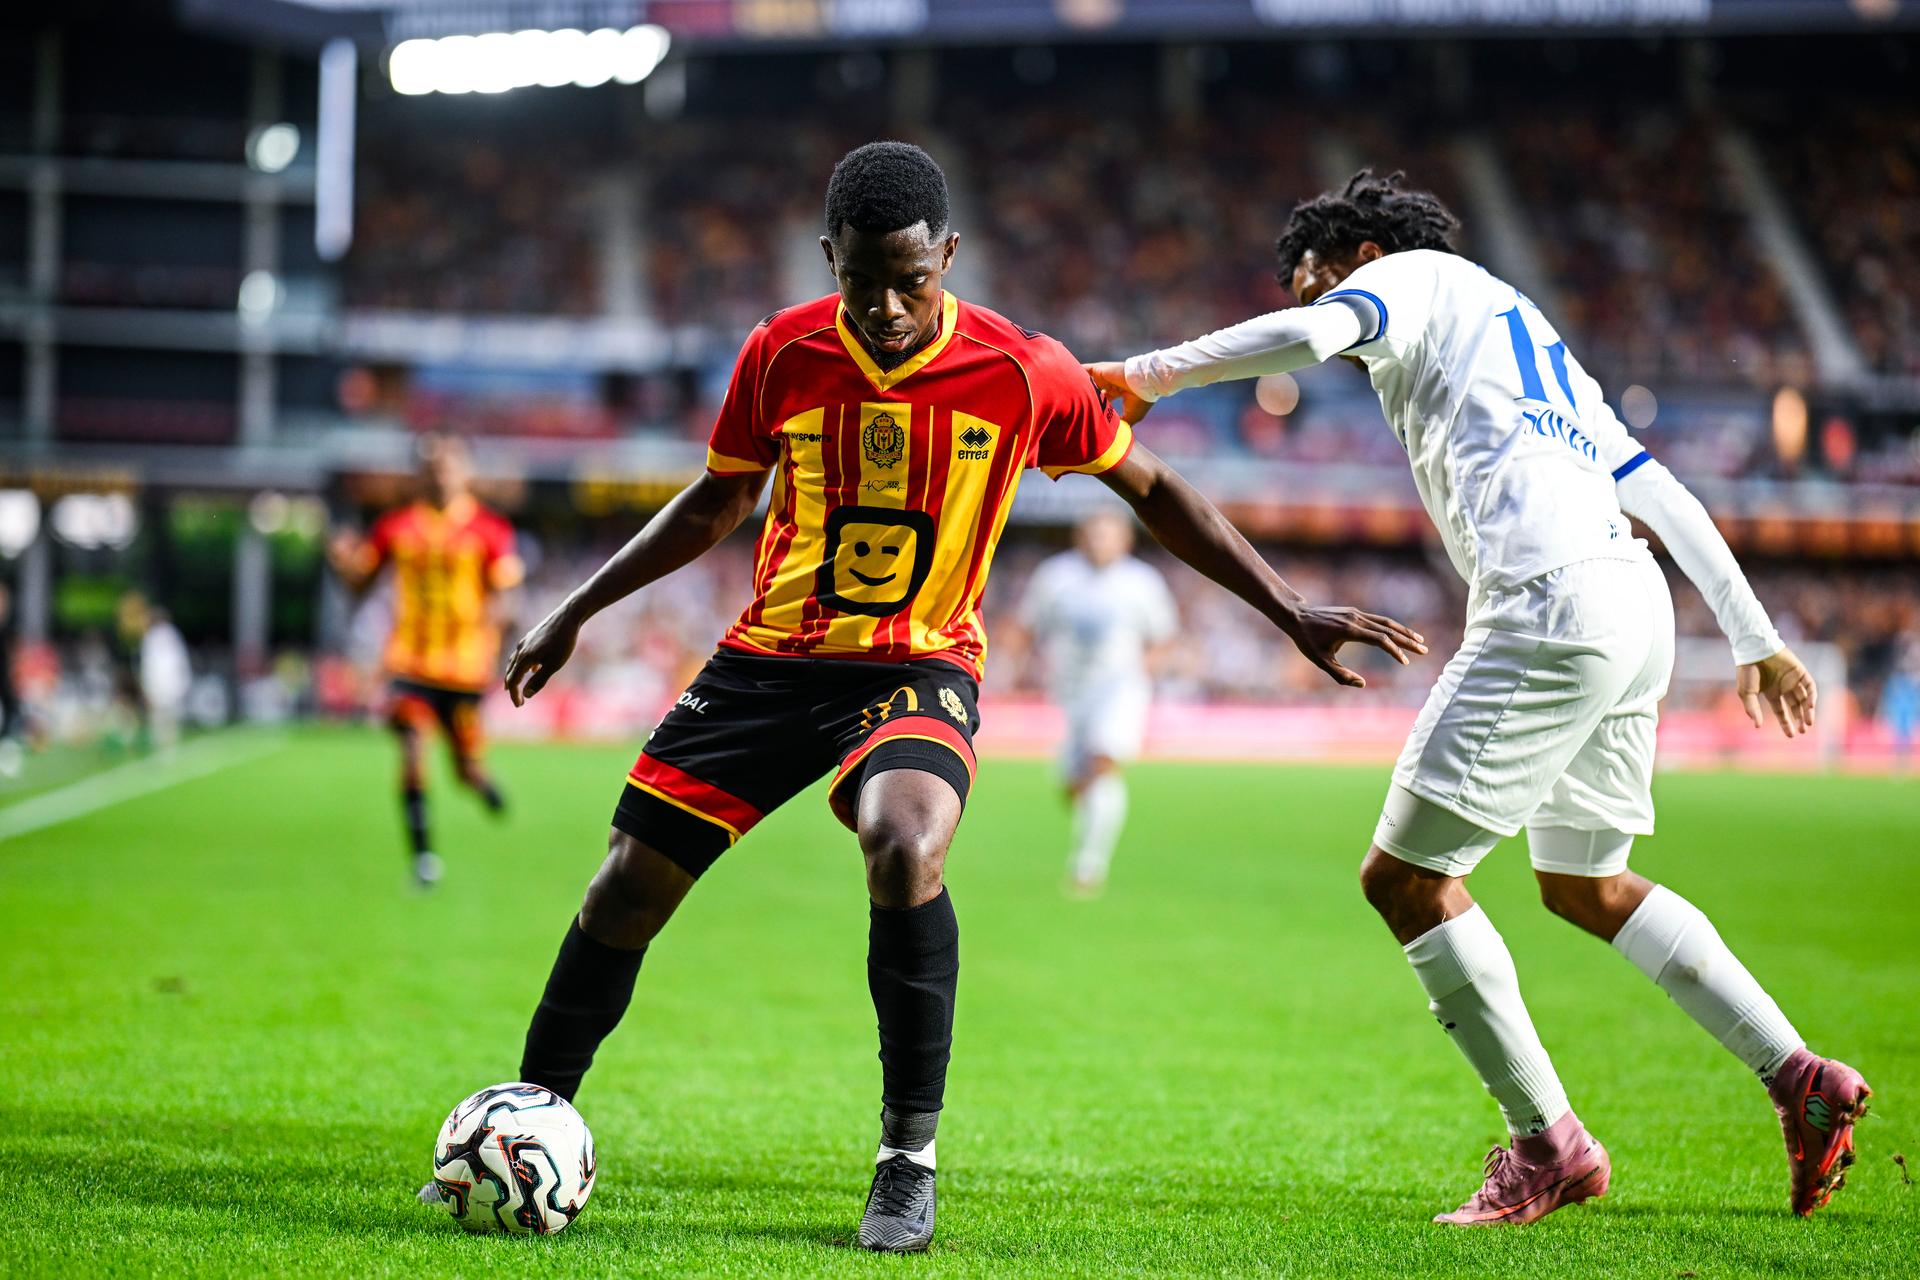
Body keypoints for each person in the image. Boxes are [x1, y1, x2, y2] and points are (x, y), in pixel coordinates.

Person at [488, 142, 1426, 1253]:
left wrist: (1288, 607)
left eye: (912, 279)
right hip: (772, 658)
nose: (887, 306)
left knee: (906, 841)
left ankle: (906, 1159)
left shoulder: (1025, 369)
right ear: (829, 256)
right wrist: (574, 607)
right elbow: (713, 503)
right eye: (862, 281)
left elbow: (1157, 487)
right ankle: (525, 1119)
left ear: (949, 253)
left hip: (920, 662)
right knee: (623, 890)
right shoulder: (779, 353)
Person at [1087, 170, 1866, 1224]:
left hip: (1547, 598)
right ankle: (1800, 1077)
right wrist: (1754, 636)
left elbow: (1318, 337)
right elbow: (1659, 489)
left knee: (1404, 878)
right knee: (1587, 882)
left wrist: (1145, 376)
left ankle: (1549, 1143)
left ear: (1359, 257)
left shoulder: (1404, 278)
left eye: (1312, 281)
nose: (1313, 305)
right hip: (1632, 602)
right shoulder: (1519, 325)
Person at [330, 435, 523, 887]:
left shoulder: (490, 530)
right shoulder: (395, 527)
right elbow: (360, 584)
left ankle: (480, 782)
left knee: (464, 770)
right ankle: (423, 859)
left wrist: (502, 635)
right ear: (421, 474)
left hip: (464, 668)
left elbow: (506, 595)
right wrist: (342, 565)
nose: (441, 474)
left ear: (465, 473)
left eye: (449, 466)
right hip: (409, 663)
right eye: (433, 466)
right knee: (412, 753)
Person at [1013, 509, 1178, 895]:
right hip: (1070, 691)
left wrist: (1145, 671)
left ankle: (1088, 866)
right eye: (1094, 533)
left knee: (1103, 764)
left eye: (1109, 534)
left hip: (1121, 688)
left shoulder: (1142, 582)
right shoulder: (1055, 577)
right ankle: (1093, 819)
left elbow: (1163, 635)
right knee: (1072, 782)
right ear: (1079, 537)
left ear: (1125, 540)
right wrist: (1017, 669)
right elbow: (1028, 626)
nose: (1101, 541)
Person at [139, 606, 192, 753]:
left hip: (166, 682)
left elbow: (153, 664)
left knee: (166, 717)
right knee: (162, 717)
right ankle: (165, 747)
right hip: (164, 683)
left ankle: (167, 747)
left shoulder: (162, 635)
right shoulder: (156, 636)